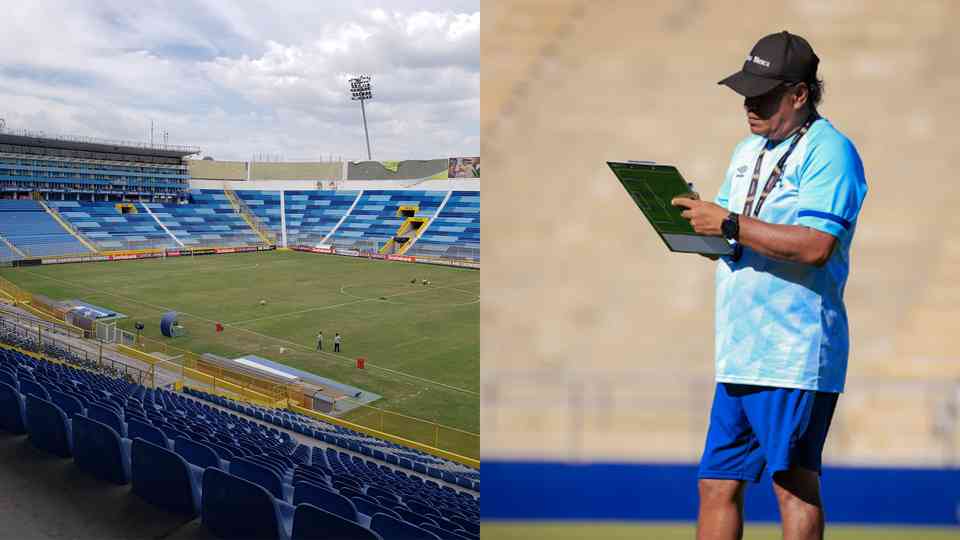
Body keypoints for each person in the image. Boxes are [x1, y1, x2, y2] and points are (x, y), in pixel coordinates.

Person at [671, 31, 867, 540]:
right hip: (740, 349)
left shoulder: (831, 151)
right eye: (745, 94)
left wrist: (730, 224)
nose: (749, 105)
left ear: (799, 94)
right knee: (715, 485)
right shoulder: (746, 150)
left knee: (792, 485)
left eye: (762, 94)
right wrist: (694, 223)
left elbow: (816, 244)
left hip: (793, 352)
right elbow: (728, 230)